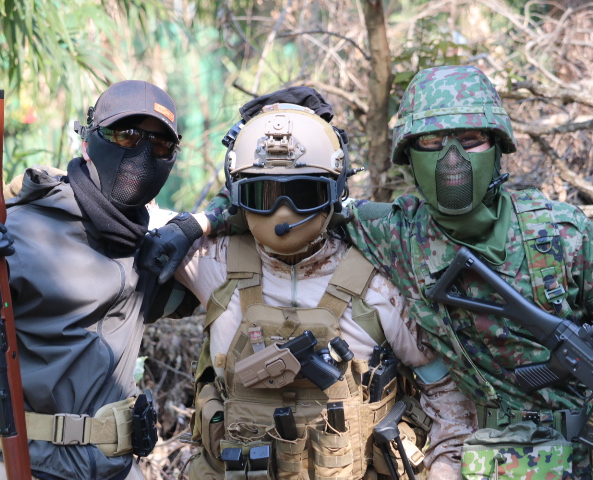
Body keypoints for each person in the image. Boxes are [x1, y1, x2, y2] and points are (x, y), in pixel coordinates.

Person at [191, 69, 593, 479]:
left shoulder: (564, 236)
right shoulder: (393, 232)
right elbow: (283, 203)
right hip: (488, 460)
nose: (452, 160)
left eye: (470, 140)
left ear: (498, 146)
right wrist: (196, 224)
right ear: (409, 156)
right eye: (431, 143)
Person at [139, 91, 477, 480]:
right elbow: (119, 220)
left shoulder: (379, 281)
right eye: (262, 195)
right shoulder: (211, 260)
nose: (283, 212)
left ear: (333, 193)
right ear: (237, 198)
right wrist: (194, 224)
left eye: (303, 194)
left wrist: (445, 467)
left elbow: (446, 391)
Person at [0, 80, 201, 480]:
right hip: (14, 463)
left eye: (159, 145)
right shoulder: (17, 230)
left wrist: (195, 225)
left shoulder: (152, 249)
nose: (141, 154)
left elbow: (245, 251)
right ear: (87, 143)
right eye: (125, 135)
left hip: (112, 468)